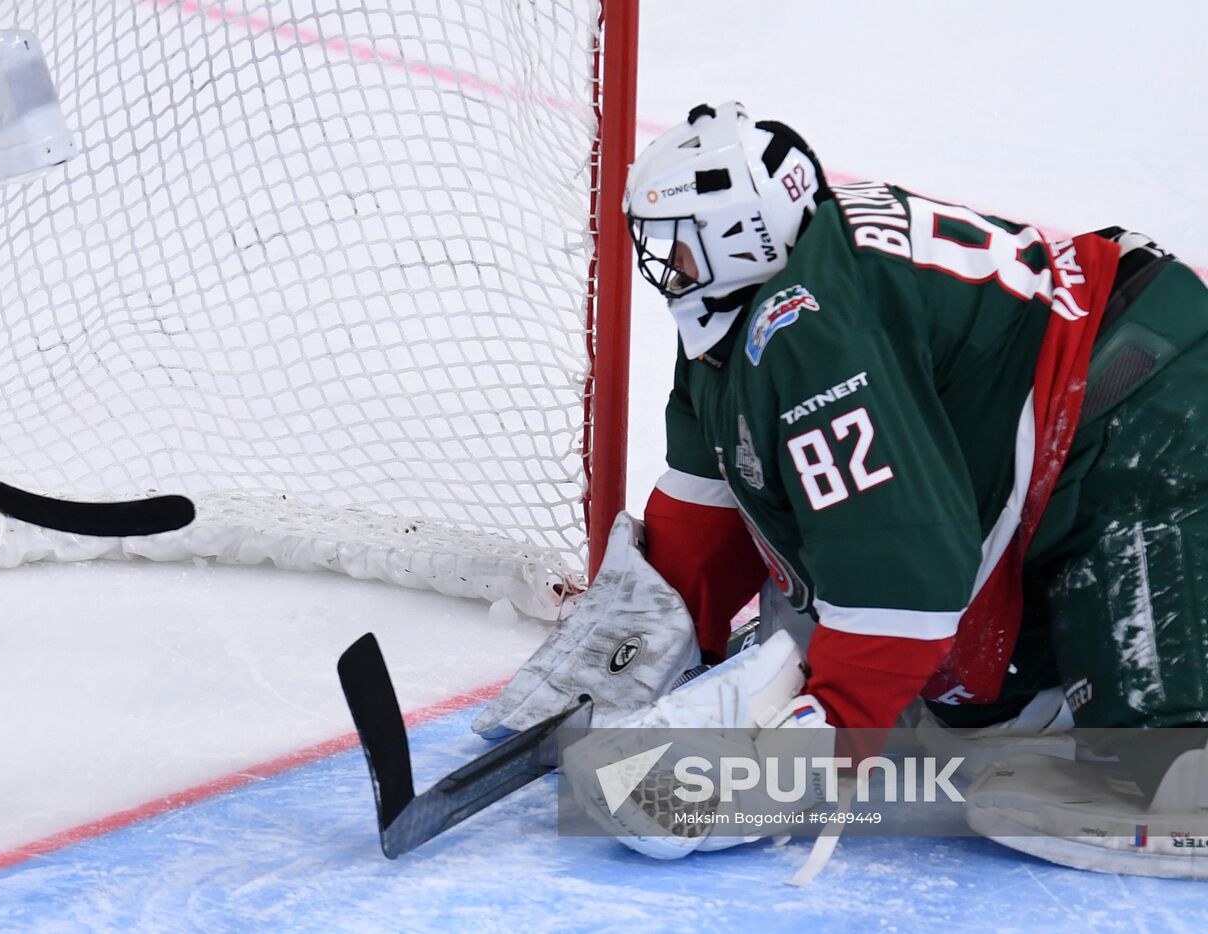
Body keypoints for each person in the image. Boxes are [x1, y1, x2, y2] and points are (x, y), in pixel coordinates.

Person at [478, 101, 1208, 877]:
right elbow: (709, 505)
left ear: (740, 233)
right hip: (1078, 412)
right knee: (974, 710)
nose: (662, 264)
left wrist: (817, 746)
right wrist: (622, 656)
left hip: (1157, 395)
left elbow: (904, 562)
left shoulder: (813, 324)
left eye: (676, 242)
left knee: (1164, 762)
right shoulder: (745, 318)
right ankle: (1062, 682)